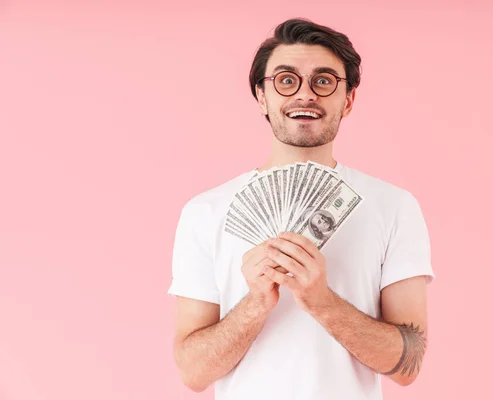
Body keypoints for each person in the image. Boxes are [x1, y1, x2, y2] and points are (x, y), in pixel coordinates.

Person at [167, 18, 436, 400]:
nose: (305, 95)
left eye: (324, 81)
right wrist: (257, 302)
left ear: (348, 100)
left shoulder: (395, 207)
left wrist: (321, 300)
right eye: (286, 80)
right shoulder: (204, 212)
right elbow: (193, 373)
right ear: (262, 97)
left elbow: (409, 365)